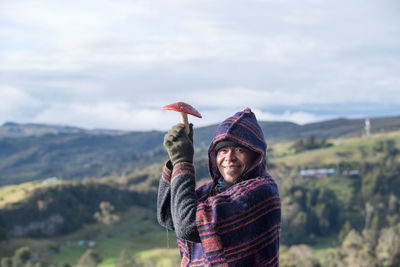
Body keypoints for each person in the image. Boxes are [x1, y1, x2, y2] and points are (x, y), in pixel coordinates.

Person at [157, 108, 281, 266]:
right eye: (223, 150)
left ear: (255, 156)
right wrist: (175, 158)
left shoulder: (261, 191)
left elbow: (188, 226)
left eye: (239, 150)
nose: (229, 158)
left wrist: (183, 161)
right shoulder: (209, 192)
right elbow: (168, 216)